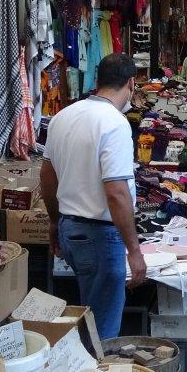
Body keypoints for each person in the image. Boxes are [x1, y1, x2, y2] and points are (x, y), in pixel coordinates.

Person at [39, 53, 147, 340]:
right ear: (131, 84)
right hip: (99, 235)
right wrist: (134, 251)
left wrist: (53, 222)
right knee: (102, 332)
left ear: (97, 80)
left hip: (70, 229)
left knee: (88, 314)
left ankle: (81, 370)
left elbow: (47, 176)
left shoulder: (63, 116)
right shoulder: (115, 123)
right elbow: (117, 192)